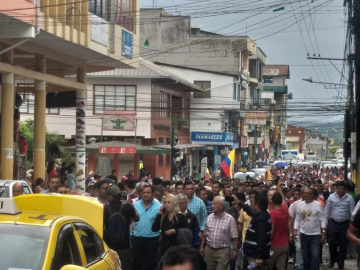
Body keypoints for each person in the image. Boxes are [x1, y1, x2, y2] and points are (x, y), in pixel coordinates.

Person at [103, 185, 139, 270]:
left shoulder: (104, 209)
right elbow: (137, 218)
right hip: (125, 247)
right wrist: (131, 205)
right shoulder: (127, 207)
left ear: (110, 196)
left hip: (109, 248)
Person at [200, 196, 238, 270]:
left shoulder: (230, 219)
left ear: (221, 206)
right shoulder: (209, 217)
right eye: (212, 204)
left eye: (214, 204)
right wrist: (202, 247)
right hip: (209, 250)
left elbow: (235, 236)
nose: (212, 206)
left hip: (223, 251)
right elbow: (205, 234)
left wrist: (235, 250)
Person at [294, 187, 326, 270]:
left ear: (312, 195)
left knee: (315, 255)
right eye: (304, 193)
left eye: (307, 193)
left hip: (315, 235)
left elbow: (322, 219)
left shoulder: (318, 204)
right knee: (305, 255)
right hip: (304, 234)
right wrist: (295, 229)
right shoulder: (300, 205)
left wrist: (323, 232)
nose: (305, 195)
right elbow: (297, 218)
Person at [324, 181, 355, 269]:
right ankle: (332, 260)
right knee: (332, 242)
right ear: (336, 188)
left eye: (342, 188)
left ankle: (341, 263)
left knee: (343, 244)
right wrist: (325, 222)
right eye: (339, 188)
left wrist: (352, 224)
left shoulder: (349, 198)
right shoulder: (331, 197)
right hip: (333, 222)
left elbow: (352, 212)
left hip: (345, 223)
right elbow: (327, 210)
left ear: (345, 189)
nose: (340, 190)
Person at [132, 184, 162, 270]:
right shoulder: (135, 205)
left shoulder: (158, 206)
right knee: (137, 264)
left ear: (152, 193)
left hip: (152, 239)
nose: (145, 194)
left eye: (148, 192)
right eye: (144, 192)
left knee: (150, 264)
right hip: (137, 239)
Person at [152, 194, 189, 261]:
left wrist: (175, 231)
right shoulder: (163, 217)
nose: (166, 204)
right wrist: (159, 215)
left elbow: (187, 232)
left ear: (174, 203)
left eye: (169, 202)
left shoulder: (180, 217)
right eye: (165, 202)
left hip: (177, 248)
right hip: (164, 249)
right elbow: (154, 229)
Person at [243, 194, 271, 270]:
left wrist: (259, 256)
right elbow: (251, 212)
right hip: (252, 253)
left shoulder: (260, 221)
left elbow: (261, 239)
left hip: (255, 256)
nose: (252, 206)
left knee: (253, 268)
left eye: (253, 204)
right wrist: (241, 204)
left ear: (257, 206)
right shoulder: (262, 215)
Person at [267, 192, 289, 270]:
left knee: (269, 265)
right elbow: (283, 201)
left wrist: (267, 241)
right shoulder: (285, 208)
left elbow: (272, 229)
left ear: (272, 201)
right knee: (281, 266)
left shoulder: (272, 213)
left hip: (274, 244)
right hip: (285, 243)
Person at [288, 187, 303, 270]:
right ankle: (298, 266)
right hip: (297, 231)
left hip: (310, 232)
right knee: (298, 248)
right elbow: (291, 220)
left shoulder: (314, 204)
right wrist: (291, 233)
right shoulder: (294, 205)